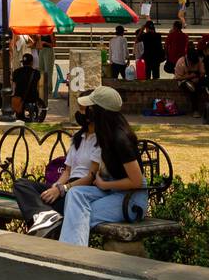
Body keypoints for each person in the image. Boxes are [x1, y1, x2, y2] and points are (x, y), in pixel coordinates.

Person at [59, 87, 147, 247]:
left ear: (100, 112)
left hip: (132, 198)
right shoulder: (104, 135)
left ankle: (72, 255)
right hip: (113, 192)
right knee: (75, 194)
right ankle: (72, 253)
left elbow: (136, 181)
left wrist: (104, 184)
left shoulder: (120, 139)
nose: (87, 114)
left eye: (90, 108)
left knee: (77, 215)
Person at [13, 107, 101, 237]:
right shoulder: (78, 138)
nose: (78, 113)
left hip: (79, 191)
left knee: (39, 200)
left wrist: (62, 189)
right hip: (65, 187)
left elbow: (90, 178)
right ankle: (48, 216)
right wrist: (56, 186)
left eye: (82, 109)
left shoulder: (101, 141)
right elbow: (67, 171)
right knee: (21, 184)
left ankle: (46, 218)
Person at [175, 44, 207, 114]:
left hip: (196, 79)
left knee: (200, 87)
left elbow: (202, 72)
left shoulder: (199, 60)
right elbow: (178, 77)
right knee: (192, 90)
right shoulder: (181, 62)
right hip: (184, 80)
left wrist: (198, 77)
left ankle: (205, 108)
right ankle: (195, 110)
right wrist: (189, 77)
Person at [11, 52, 41, 121]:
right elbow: (37, 86)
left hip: (19, 98)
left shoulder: (16, 72)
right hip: (32, 97)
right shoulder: (36, 73)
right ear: (31, 62)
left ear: (23, 62)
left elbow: (14, 85)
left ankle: (19, 116)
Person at [37, 35, 55, 118]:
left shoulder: (50, 33)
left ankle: (48, 89)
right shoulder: (40, 33)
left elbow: (54, 44)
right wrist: (39, 39)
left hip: (48, 50)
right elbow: (39, 45)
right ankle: (41, 88)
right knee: (41, 71)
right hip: (42, 51)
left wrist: (46, 43)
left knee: (48, 71)